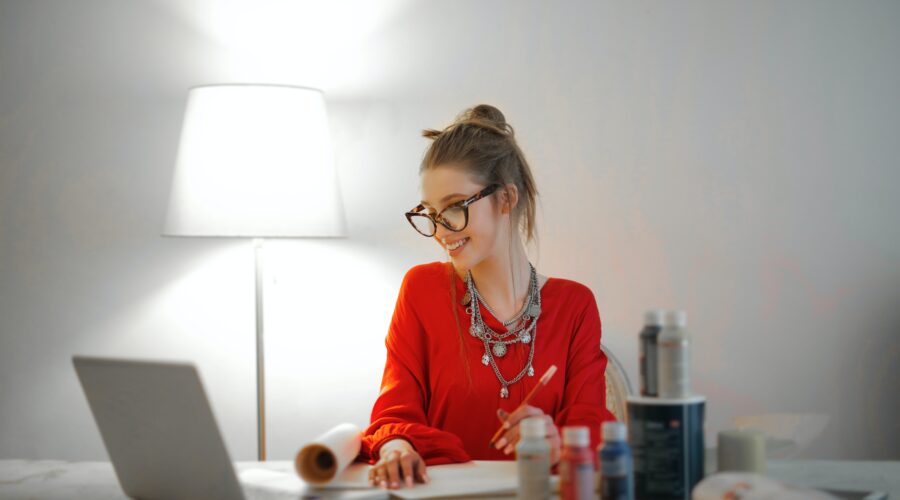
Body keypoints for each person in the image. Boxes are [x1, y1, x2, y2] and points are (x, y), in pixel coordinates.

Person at [360, 104, 615, 489]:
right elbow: (394, 412)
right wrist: (396, 447)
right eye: (431, 212)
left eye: (455, 207)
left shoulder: (574, 305)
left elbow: (591, 425)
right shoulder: (421, 290)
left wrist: (555, 438)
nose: (442, 231)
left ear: (507, 199)